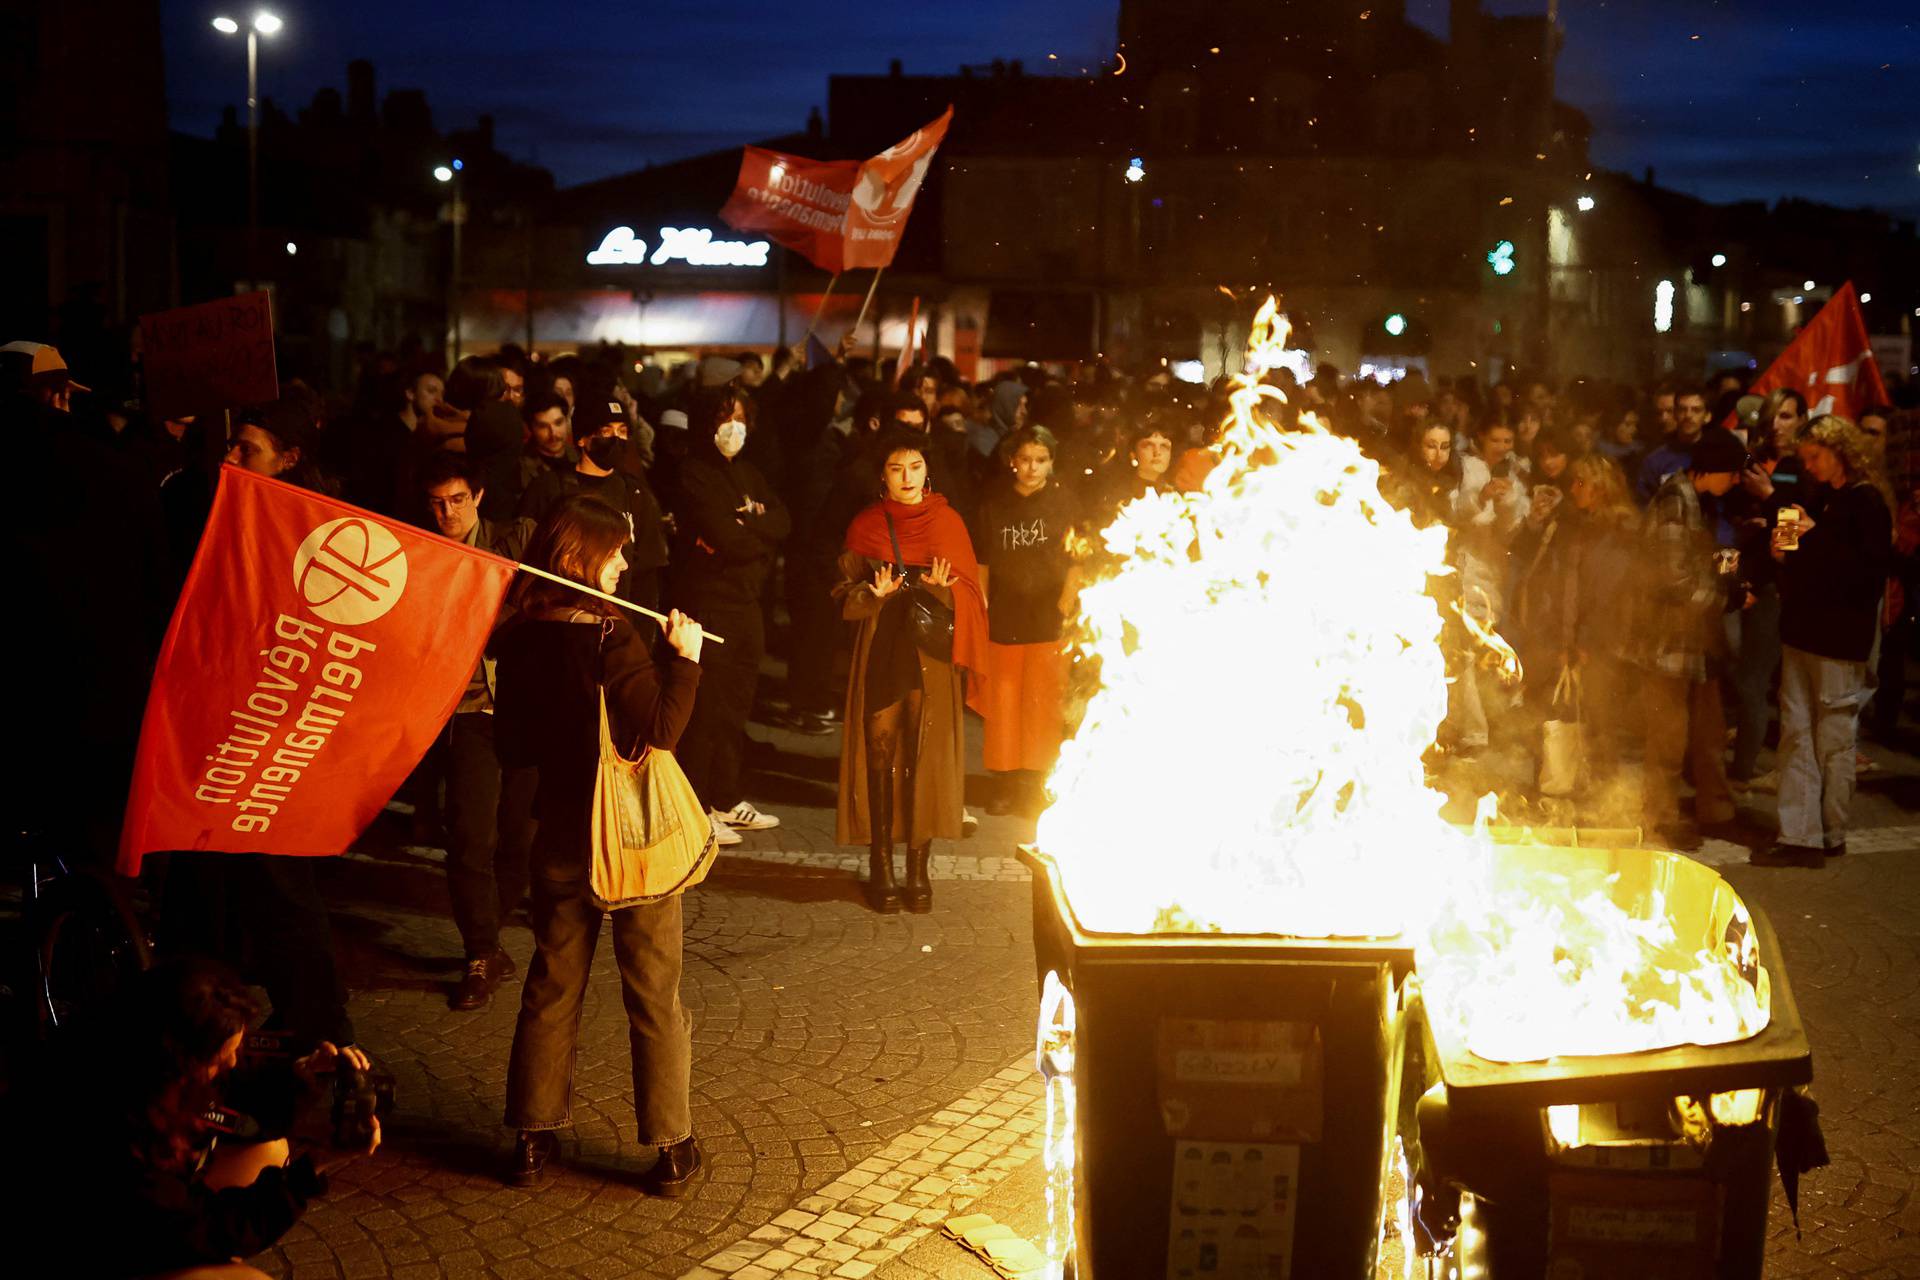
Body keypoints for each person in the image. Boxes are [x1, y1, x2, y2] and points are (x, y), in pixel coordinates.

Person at [492, 496, 707, 1195]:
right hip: (633, 838)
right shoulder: (613, 635)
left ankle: (531, 1136)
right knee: (653, 989)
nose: (622, 565)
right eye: (613, 553)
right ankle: (672, 1147)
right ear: (581, 557)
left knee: (552, 985)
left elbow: (513, 745)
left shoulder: (522, 634)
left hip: (559, 830)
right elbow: (664, 727)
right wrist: (685, 660)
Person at [22, 958, 378, 1280]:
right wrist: (311, 1168)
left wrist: (305, 1075)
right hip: (80, 1254)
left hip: (142, 1221)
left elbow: (242, 1112)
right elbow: (214, 1228)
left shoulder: (140, 1066)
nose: (232, 1064)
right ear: (180, 1063)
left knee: (266, 1151)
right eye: (220, 1059)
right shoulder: (113, 1135)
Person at [835, 431, 989, 913]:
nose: (907, 477)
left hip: (930, 659)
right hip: (882, 650)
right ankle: (881, 867)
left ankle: (918, 871)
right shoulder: (865, 525)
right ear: (882, 474)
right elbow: (841, 593)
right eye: (897, 468)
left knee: (923, 758)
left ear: (928, 471)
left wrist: (945, 591)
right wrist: (871, 595)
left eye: (915, 467)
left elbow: (974, 598)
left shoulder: (948, 522)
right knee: (879, 757)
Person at [418, 453, 538, 1009]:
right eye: (438, 503)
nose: (448, 512)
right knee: (469, 837)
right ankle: (480, 952)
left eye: (458, 500)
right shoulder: (420, 553)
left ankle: (491, 934)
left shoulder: (514, 540)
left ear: (479, 498)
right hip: (465, 713)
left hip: (519, 706)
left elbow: (545, 601)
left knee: (518, 835)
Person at [1756, 417, 1892, 866]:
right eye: (1806, 458)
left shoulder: (1866, 502)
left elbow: (1865, 577)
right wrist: (1785, 552)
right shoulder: (1824, 498)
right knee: (1796, 736)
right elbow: (1806, 563)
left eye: (1815, 456)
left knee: (1832, 741)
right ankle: (1799, 835)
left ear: (1841, 452)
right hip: (1801, 634)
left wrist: (1813, 538)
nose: (1809, 466)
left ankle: (1831, 831)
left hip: (1837, 642)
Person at [669, 386, 791, 842]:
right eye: (725, 418)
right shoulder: (694, 474)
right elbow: (729, 538)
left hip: (747, 604)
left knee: (738, 705)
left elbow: (784, 520)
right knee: (708, 709)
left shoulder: (748, 472)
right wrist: (749, 531)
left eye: (740, 418)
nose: (734, 427)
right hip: (710, 603)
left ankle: (725, 795)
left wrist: (750, 523)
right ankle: (697, 806)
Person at [1628, 427, 1748, 849]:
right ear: (1713, 468)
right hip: (1669, 645)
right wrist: (1725, 597)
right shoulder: (1676, 500)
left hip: (1697, 642)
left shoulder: (1701, 501)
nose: (1734, 482)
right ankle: (1659, 818)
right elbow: (1672, 579)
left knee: (1709, 733)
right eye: (1732, 474)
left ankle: (1715, 812)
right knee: (1667, 737)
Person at [973, 426, 1075, 816]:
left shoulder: (1063, 501)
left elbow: (1076, 557)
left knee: (1043, 706)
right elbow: (982, 560)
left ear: (1051, 462)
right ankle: (1004, 782)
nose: (1032, 468)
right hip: (1005, 616)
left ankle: (1034, 785)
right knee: (1004, 704)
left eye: (1041, 460)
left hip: (1048, 618)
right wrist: (983, 604)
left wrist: (1067, 598)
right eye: (1025, 459)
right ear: (1012, 461)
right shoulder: (994, 504)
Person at [519, 396, 670, 609]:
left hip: (617, 622)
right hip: (563, 616)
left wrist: (640, 632)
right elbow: (528, 558)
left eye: (622, 431)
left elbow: (646, 573)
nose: (616, 439)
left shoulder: (634, 492)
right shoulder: (550, 489)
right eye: (606, 431)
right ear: (582, 438)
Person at [1448, 419, 1528, 752]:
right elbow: (1455, 513)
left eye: (1508, 440)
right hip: (1467, 569)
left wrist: (1510, 502)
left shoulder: (1515, 476)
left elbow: (1512, 532)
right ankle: (1472, 731)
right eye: (1496, 439)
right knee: (1466, 648)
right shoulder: (1466, 469)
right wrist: (1481, 497)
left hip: (1496, 572)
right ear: (1482, 438)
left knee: (1489, 649)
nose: (1502, 446)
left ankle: (1492, 722)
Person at [480, 389, 575, 521]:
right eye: (543, 426)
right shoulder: (518, 467)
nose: (553, 433)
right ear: (530, 428)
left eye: (558, 423)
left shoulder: (580, 457)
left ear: (567, 421)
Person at [1637, 383, 1709, 503]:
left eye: (1669, 411)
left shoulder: (1719, 454)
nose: (1664, 418)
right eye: (1659, 413)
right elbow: (1645, 506)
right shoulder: (1653, 459)